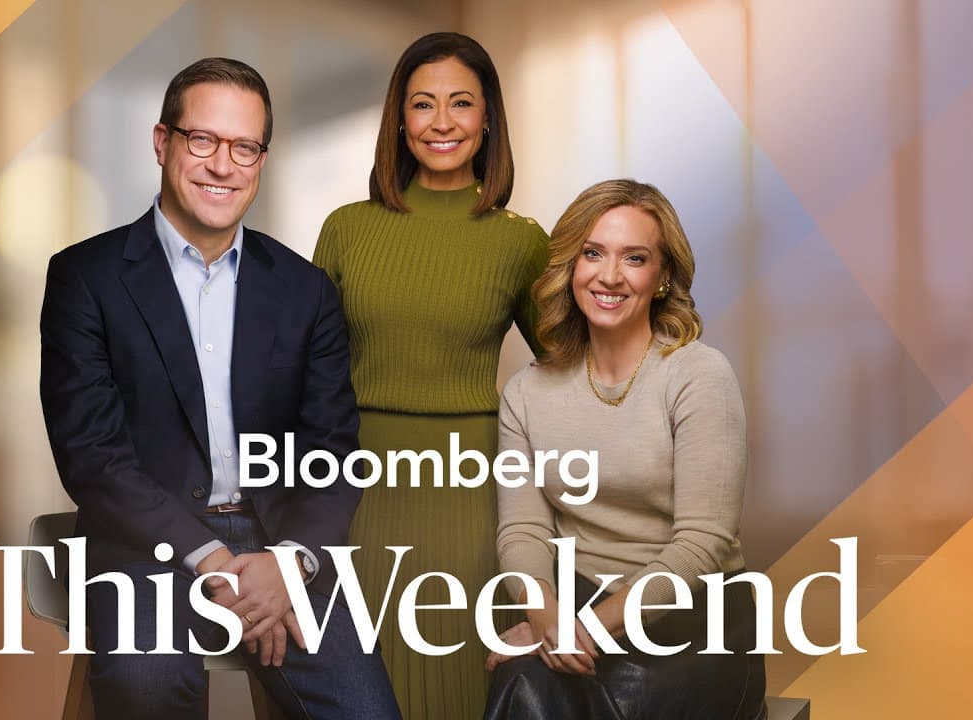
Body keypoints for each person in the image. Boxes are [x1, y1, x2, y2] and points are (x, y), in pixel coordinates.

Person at [39, 57, 400, 720]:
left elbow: (335, 451)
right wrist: (212, 559)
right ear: (162, 142)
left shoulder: (305, 292)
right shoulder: (83, 278)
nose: (221, 165)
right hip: (144, 546)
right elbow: (91, 455)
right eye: (202, 140)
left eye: (243, 147)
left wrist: (287, 564)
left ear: (262, 159)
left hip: (280, 540)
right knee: (150, 689)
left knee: (366, 710)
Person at [312, 32, 549, 719]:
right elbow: (302, 378)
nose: (442, 122)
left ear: (487, 121)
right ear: (400, 120)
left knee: (464, 688)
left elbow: (571, 375)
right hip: (354, 495)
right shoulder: (346, 230)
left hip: (470, 498)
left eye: (461, 103)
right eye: (423, 104)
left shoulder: (521, 240)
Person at [484, 179, 767, 719]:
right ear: (571, 265)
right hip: (579, 607)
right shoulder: (527, 391)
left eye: (634, 258)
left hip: (690, 625)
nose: (609, 276)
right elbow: (524, 531)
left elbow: (703, 543)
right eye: (593, 253)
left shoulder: (698, 375)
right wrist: (547, 620)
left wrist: (582, 631)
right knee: (521, 680)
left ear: (661, 277)